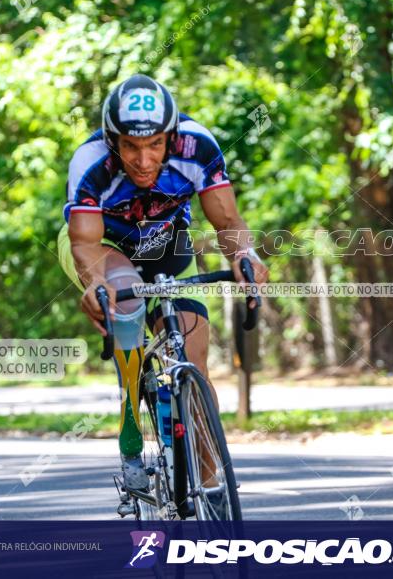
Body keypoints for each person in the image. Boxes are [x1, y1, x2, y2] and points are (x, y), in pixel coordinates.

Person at [57, 74, 268, 492]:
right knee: (127, 301)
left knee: (195, 359)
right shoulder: (90, 161)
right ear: (112, 140)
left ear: (171, 137)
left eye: (155, 144)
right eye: (131, 146)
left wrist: (246, 256)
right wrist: (94, 285)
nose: (143, 159)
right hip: (104, 244)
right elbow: (83, 241)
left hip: (167, 242)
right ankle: (131, 426)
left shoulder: (198, 147)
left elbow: (227, 221)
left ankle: (211, 489)